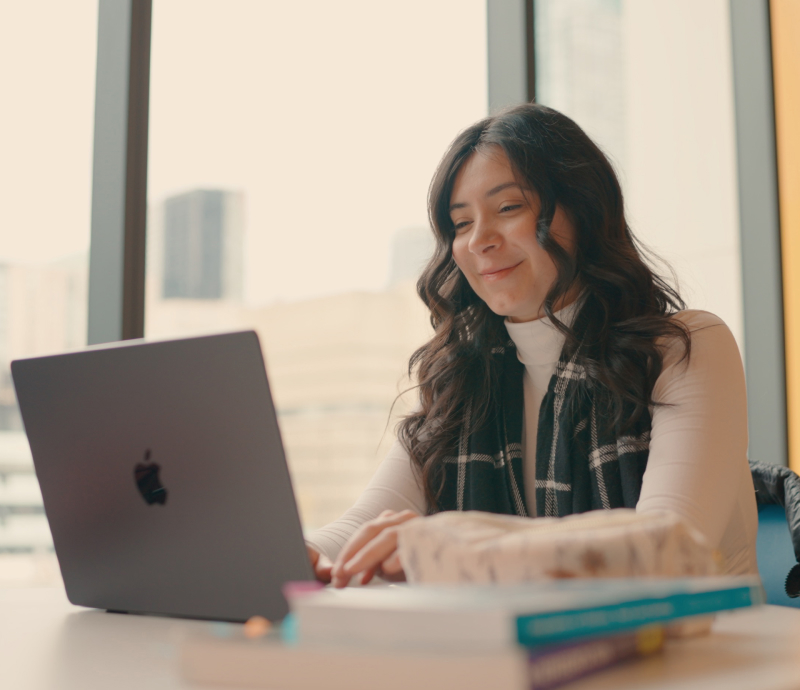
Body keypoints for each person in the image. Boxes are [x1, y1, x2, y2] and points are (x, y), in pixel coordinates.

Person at [305, 103, 758, 587]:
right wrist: (295, 556)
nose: (479, 240)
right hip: (530, 656)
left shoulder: (685, 347)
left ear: (583, 211)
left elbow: (669, 547)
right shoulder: (461, 381)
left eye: (508, 208)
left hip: (703, 654)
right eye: (460, 224)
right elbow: (360, 530)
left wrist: (457, 540)